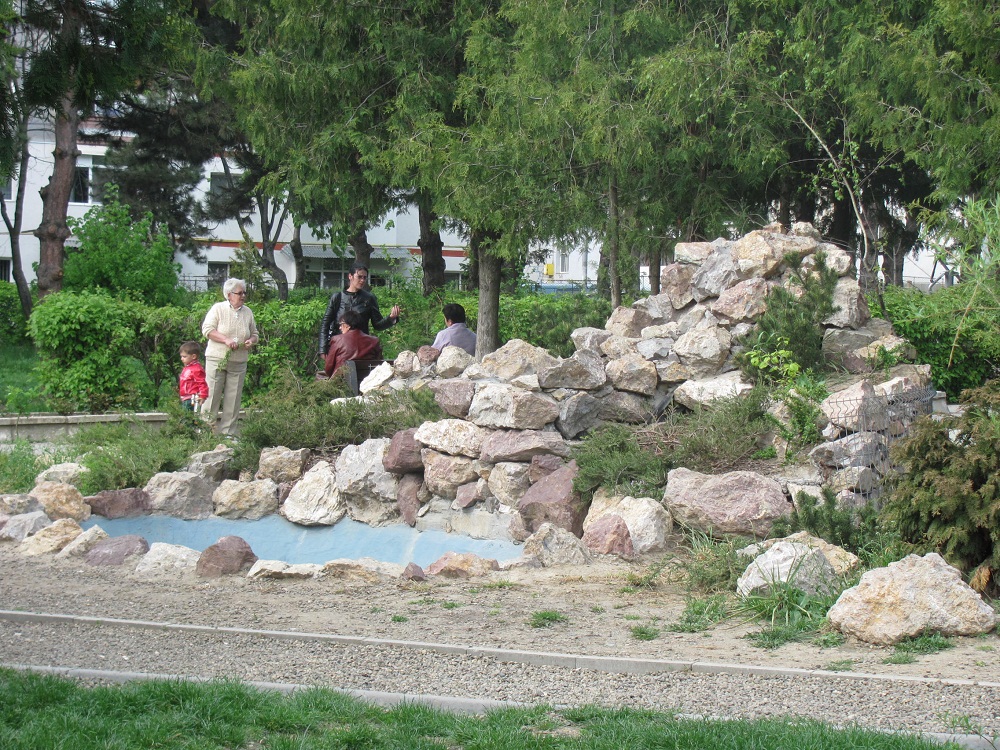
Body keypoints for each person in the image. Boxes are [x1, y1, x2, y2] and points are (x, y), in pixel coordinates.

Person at [201, 278, 259, 436]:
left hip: (239, 361)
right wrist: (225, 340)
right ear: (229, 294)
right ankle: (206, 433)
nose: (243, 296)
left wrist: (251, 340)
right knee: (211, 396)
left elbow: (255, 333)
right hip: (217, 359)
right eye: (239, 293)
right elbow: (207, 330)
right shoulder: (218, 309)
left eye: (244, 293)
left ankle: (228, 435)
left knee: (233, 400)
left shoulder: (247, 312)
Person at [318, 263, 400, 357]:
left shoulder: (369, 298)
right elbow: (325, 324)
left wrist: (391, 318)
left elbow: (377, 325)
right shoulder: (337, 298)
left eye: (365, 277)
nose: (362, 280)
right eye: (359, 277)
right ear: (350, 276)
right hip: (339, 347)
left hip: (360, 349)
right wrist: (322, 350)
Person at [324, 309, 383, 378]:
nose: (340, 327)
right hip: (368, 379)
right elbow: (379, 363)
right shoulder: (374, 341)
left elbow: (328, 367)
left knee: (320, 375)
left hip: (342, 380)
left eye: (341, 324)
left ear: (348, 325)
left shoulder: (337, 340)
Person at [178, 340, 209, 411]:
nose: (181, 359)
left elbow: (202, 383)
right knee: (185, 415)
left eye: (184, 356)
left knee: (188, 416)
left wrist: (203, 395)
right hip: (186, 397)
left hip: (192, 398)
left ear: (193, 356)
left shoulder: (196, 369)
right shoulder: (188, 367)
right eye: (181, 356)